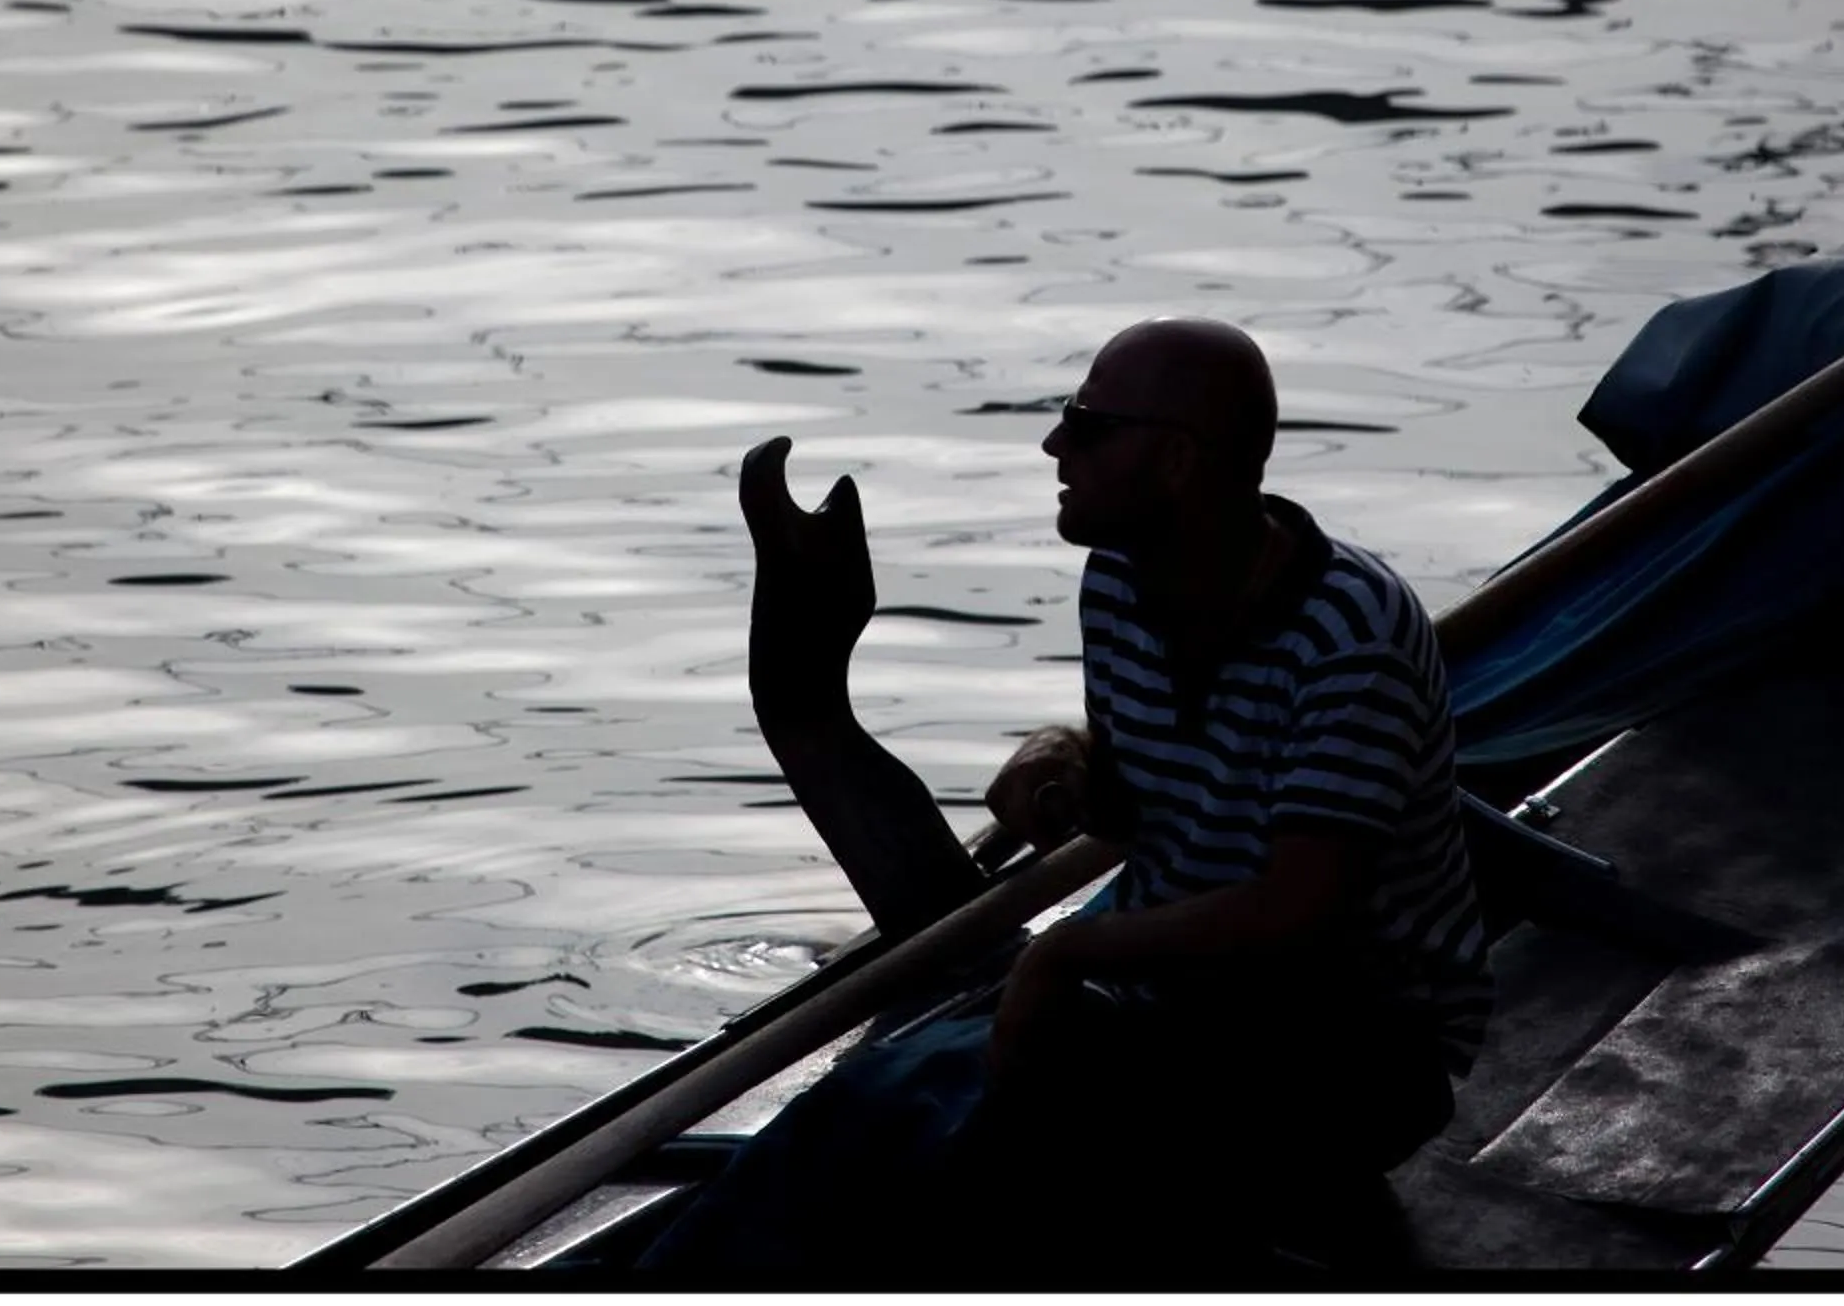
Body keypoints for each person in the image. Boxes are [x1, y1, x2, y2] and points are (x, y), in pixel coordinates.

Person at [637, 318, 1489, 1276]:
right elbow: (1142, 817)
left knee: (1002, 1156)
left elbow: (1300, 907)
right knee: (866, 1107)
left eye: (1085, 424)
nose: (1054, 446)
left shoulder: (1351, 631)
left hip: (1355, 1041)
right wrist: (1070, 771)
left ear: (1173, 461)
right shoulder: (1120, 579)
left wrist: (1066, 954)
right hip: (1179, 995)